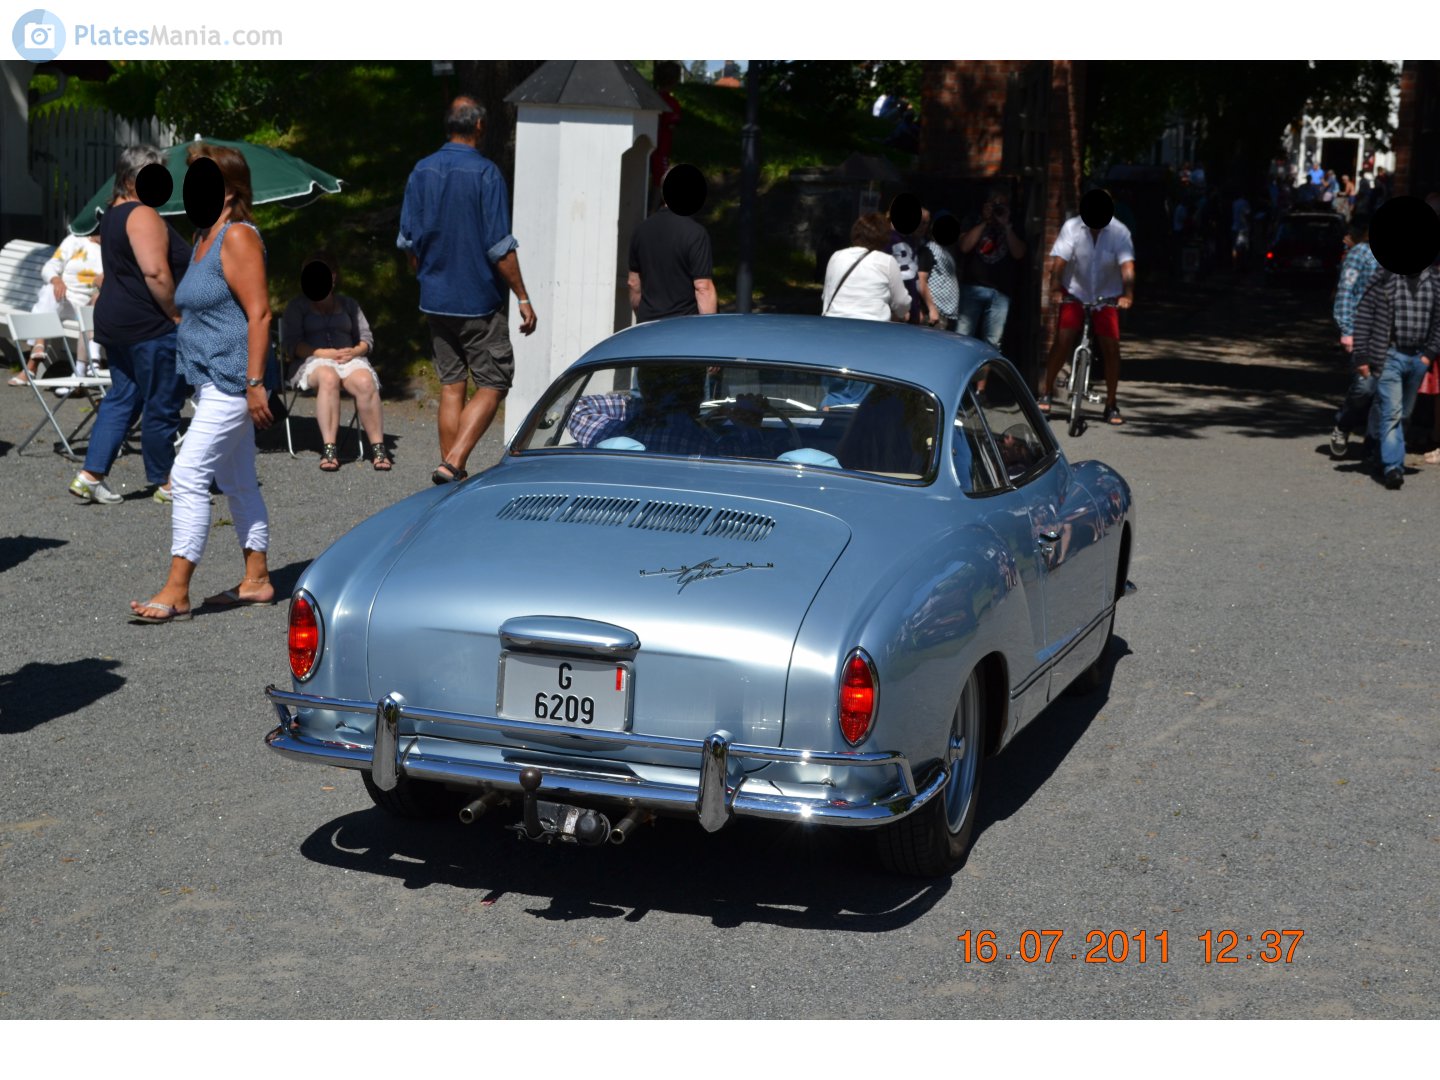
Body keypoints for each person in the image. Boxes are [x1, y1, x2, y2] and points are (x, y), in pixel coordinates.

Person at [130, 143, 275, 622]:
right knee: (236, 481)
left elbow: (259, 312)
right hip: (210, 382)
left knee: (187, 475)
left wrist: (255, 382)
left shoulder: (237, 237)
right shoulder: (204, 236)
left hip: (233, 382)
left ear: (231, 191)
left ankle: (177, 589)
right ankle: (256, 579)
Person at [398, 96, 537, 486]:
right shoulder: (486, 174)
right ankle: (455, 462)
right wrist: (523, 297)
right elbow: (499, 247)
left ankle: (451, 481)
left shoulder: (421, 170)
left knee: (452, 384)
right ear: (479, 127)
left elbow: (408, 243)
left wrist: (427, 275)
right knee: (494, 381)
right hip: (478, 300)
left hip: (436, 298)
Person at [70, 145, 192, 506]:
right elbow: (155, 271)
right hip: (148, 323)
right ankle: (166, 480)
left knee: (123, 397)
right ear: (128, 179)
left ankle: (90, 475)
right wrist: (174, 313)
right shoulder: (142, 215)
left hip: (117, 320)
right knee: (161, 401)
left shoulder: (112, 214)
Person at [280, 251, 390, 472]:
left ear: (333, 277)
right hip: (312, 361)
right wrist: (321, 353)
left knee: (365, 381)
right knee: (328, 377)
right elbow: (291, 345)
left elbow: (366, 339)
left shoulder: (349, 304)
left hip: (348, 359)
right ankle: (330, 448)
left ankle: (378, 448)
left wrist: (354, 351)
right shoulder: (297, 307)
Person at [1038, 192, 1136, 425]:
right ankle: (1047, 391)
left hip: (1106, 296)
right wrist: (1055, 289)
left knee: (1111, 347)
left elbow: (1127, 266)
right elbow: (1060, 261)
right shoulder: (1073, 227)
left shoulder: (1120, 232)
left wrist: (1127, 295)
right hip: (1075, 292)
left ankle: (1111, 403)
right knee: (1063, 339)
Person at [1351, 261, 1440, 490]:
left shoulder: (1433, 279)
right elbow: (1364, 315)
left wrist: (1429, 355)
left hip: (1419, 357)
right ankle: (1393, 467)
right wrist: (1361, 355)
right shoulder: (1385, 276)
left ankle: (1381, 452)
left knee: (1404, 414)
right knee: (1392, 412)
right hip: (1389, 355)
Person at [10, 231, 104, 386]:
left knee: (95, 306)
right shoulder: (75, 241)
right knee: (49, 292)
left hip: (90, 303)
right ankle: (37, 349)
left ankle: (31, 367)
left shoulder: (112, 248)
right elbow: (50, 267)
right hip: (65, 298)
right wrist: (57, 280)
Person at [627, 171, 716, 322]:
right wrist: (709, 329)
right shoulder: (695, 233)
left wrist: (641, 315)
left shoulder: (641, 231)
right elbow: (703, 287)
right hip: (683, 327)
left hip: (648, 326)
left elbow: (633, 283)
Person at [1328, 217, 1380, 459]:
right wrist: (1347, 329)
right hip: (1364, 331)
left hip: (1393, 335)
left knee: (1385, 393)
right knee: (1364, 387)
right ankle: (1344, 424)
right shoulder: (1361, 253)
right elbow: (1346, 292)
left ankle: (1373, 443)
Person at [956, 189, 1027, 348]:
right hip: (972, 287)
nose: (998, 209)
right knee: (962, 337)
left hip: (1000, 293)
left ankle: (987, 373)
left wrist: (1007, 226)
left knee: (993, 343)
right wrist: (984, 221)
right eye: (995, 205)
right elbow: (964, 247)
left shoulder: (1014, 223)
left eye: (1002, 205)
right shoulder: (973, 219)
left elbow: (1019, 253)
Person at [821, 212, 910, 322]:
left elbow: (826, 296)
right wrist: (902, 314)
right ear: (884, 237)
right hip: (872, 329)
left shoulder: (837, 256)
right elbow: (901, 303)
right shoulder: (887, 261)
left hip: (834, 324)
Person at [916, 212, 961, 330]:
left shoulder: (945, 251)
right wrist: (932, 309)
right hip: (935, 313)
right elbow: (921, 281)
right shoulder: (928, 250)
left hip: (947, 314)